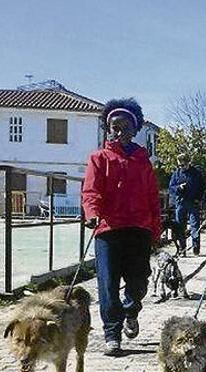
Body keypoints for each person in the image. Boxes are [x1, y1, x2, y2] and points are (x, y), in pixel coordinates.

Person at [81, 98, 161, 357]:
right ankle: (112, 333)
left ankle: (131, 309)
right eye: (114, 126)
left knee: (138, 281)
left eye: (125, 126)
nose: (119, 131)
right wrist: (92, 213)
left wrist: (155, 229)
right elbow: (91, 191)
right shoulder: (98, 158)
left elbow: (152, 197)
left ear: (135, 129)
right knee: (107, 283)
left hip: (139, 228)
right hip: (109, 229)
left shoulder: (143, 160)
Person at [168, 153, 206, 256]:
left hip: (192, 203)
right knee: (180, 227)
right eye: (180, 165)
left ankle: (195, 248)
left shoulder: (196, 173)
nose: (181, 167)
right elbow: (171, 188)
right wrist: (179, 188)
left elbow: (202, 187)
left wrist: (199, 199)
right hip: (180, 203)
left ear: (188, 163)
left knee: (195, 226)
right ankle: (182, 249)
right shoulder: (176, 174)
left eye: (183, 165)